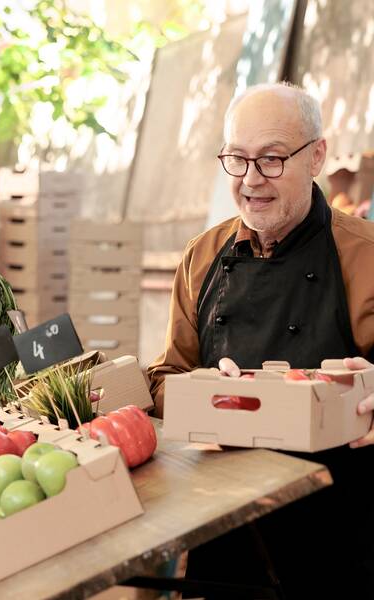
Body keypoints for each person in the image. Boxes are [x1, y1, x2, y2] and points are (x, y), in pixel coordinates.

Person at [147, 82, 374, 597]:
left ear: (316, 156)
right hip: (225, 541)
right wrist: (200, 393)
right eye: (236, 159)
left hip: (343, 545)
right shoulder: (201, 257)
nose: (251, 180)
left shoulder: (365, 255)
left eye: (271, 160)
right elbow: (165, 379)